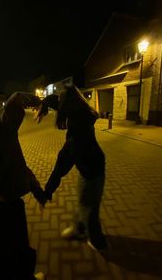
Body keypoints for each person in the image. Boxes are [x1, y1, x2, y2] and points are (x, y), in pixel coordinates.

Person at [0, 92, 47, 280]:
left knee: (4, 255)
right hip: (7, 208)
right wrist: (40, 103)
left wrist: (39, 192)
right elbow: (16, 99)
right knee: (17, 252)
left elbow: (21, 169)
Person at [35, 85, 108, 251]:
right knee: (84, 200)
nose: (58, 105)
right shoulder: (81, 114)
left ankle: (98, 242)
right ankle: (79, 228)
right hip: (91, 167)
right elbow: (57, 100)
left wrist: (47, 192)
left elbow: (60, 167)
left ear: (68, 107)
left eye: (61, 102)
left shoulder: (76, 137)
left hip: (92, 172)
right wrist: (44, 103)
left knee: (89, 208)